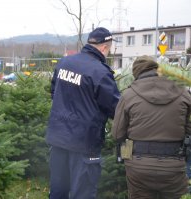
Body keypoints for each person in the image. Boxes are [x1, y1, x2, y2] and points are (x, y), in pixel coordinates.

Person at [46, 27, 120, 199]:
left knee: (58, 190)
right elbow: (116, 108)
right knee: (83, 193)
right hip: (84, 143)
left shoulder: (64, 63)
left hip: (58, 139)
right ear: (104, 48)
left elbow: (53, 91)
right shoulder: (100, 72)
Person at [112, 55, 191, 199]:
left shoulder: (129, 95)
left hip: (138, 166)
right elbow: (190, 128)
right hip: (174, 165)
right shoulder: (183, 92)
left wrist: (127, 157)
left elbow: (118, 134)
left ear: (137, 74)